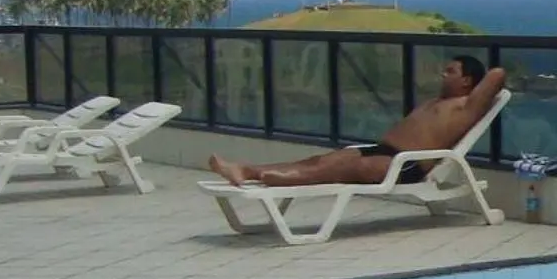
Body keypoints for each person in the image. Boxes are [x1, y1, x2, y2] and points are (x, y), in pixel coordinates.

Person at [209, 55, 506, 188]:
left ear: (467, 80)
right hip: (382, 149)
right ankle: (245, 171)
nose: (443, 74)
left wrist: (478, 78)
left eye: (450, 71)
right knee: (321, 160)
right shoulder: (437, 101)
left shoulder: (464, 107)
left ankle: (278, 180)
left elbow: (497, 75)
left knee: (346, 168)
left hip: (407, 164)